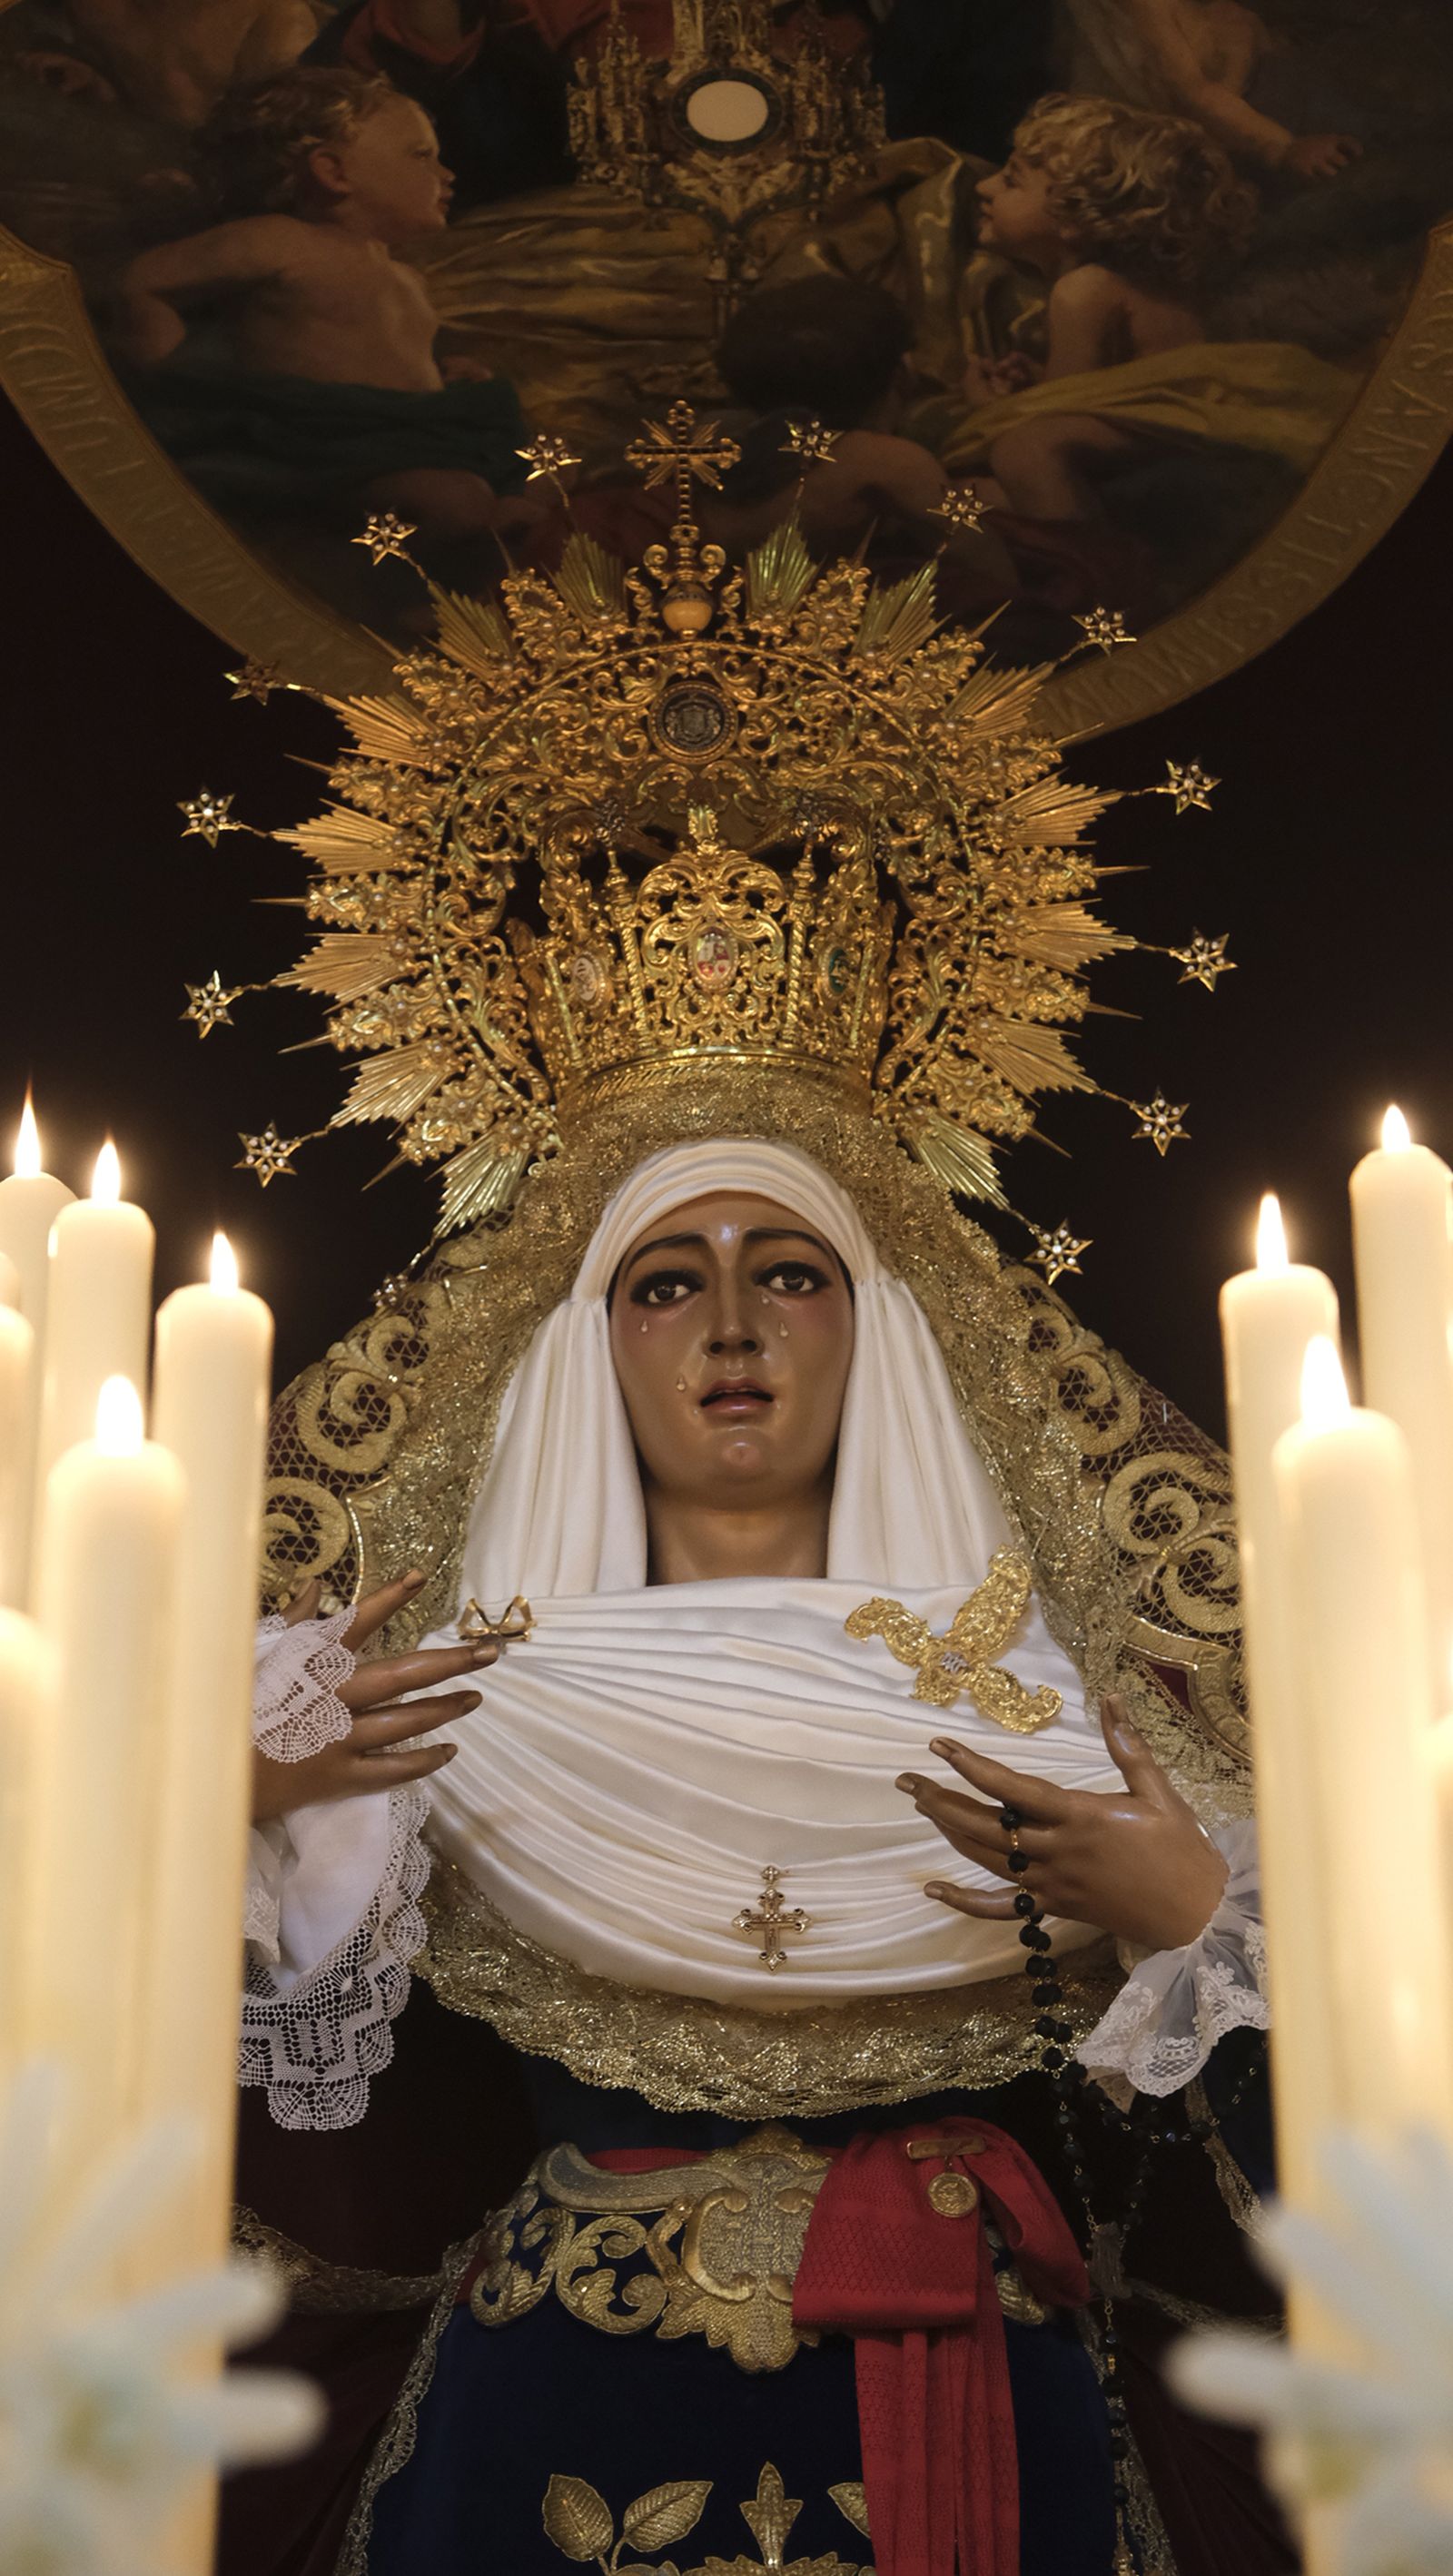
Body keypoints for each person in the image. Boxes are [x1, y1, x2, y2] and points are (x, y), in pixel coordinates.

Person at [226, 1107, 1285, 2575]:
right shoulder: (433, 1706)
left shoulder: (1082, 1719)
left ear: (880, 1329)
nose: (730, 1325)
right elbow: (159, 2118)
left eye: (789, 1273)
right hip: (560, 2392)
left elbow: (1347, 2179)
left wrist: (1192, 1913)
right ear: (591, 1339)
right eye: (665, 1281)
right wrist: (236, 1805)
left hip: (981, 2385)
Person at [112, 66, 530, 543]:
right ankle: (424, 598)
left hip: (415, 427)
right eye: (421, 156)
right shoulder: (280, 242)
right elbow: (142, 283)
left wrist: (445, 370)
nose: (447, 173)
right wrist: (172, 382)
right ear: (333, 172)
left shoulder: (404, 276)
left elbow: (384, 352)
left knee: (553, 468)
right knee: (456, 500)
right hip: (328, 437)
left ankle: (497, 530)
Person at [928, 90, 1354, 546]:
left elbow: (1060, 407)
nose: (984, 186)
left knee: (1023, 452)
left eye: (1012, 181)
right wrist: (1035, 380)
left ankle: (1095, 584)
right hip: (1168, 433)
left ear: (1075, 216)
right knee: (967, 498)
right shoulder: (1128, 280)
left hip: (1167, 439)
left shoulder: (1081, 290)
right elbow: (1101, 388)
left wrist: (991, 406)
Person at [1055, 0, 1362, 184]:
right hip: (1248, 125)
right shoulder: (1143, 7)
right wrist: (1283, 148)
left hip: (1263, 95)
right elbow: (1193, 93)